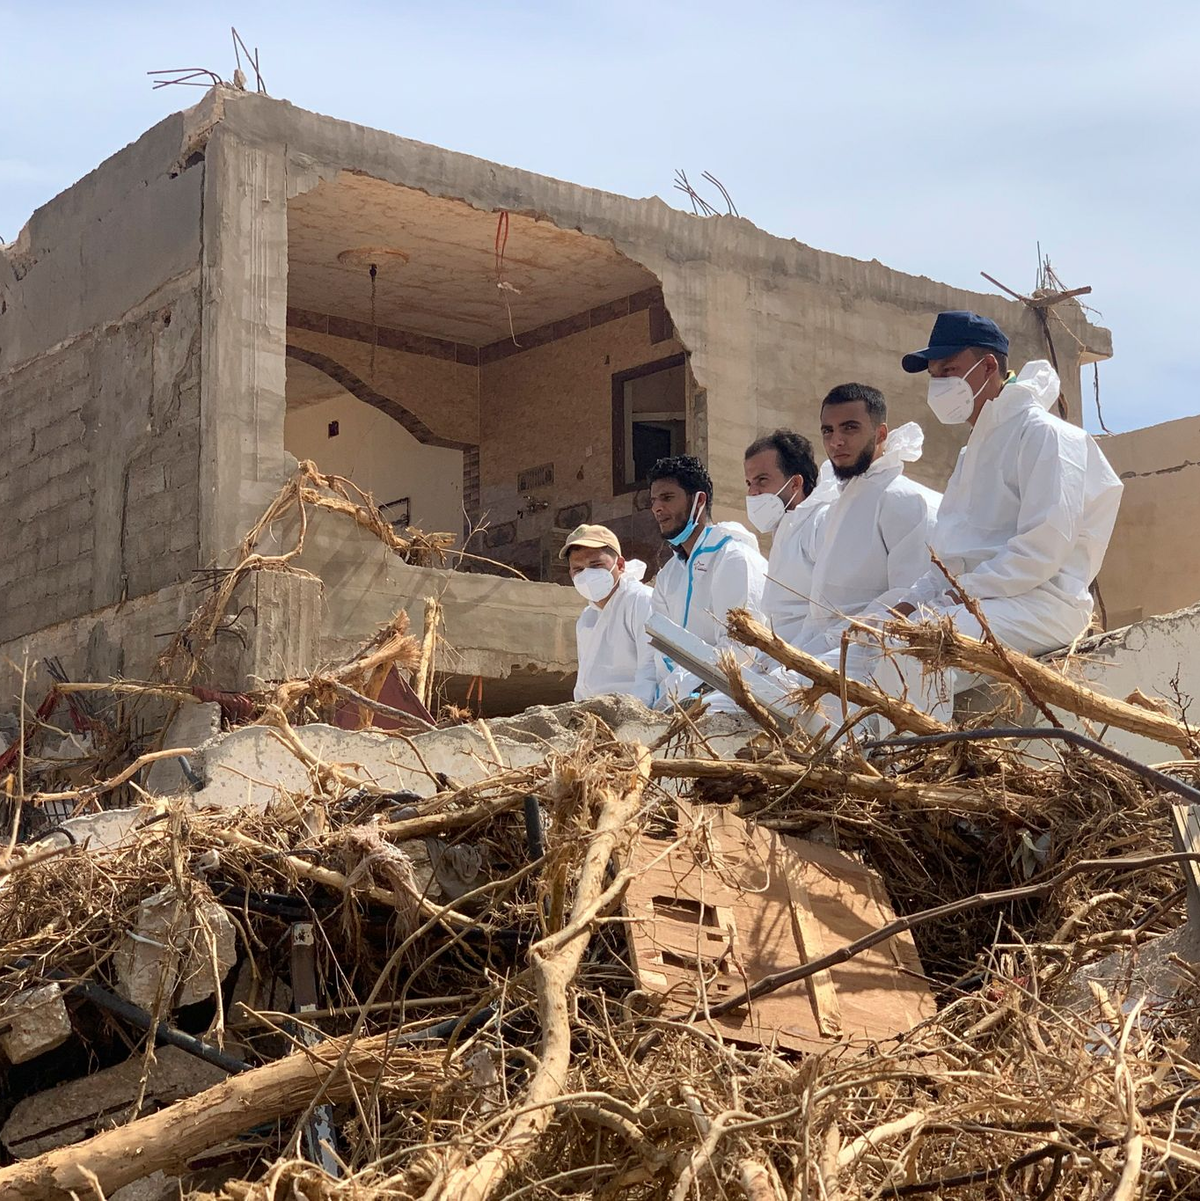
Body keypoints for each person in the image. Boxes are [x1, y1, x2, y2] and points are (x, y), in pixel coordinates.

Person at [883, 310, 1124, 720]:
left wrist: (960, 595)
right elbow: (951, 557)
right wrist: (910, 603)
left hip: (1043, 602)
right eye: (934, 374)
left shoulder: (1046, 435)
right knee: (879, 641)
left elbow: (1041, 549)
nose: (939, 383)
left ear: (989, 366)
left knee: (922, 649)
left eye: (950, 369)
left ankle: (916, 757)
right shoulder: (971, 454)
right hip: (985, 603)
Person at [796, 383, 941, 654]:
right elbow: (822, 613)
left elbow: (910, 599)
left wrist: (831, 645)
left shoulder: (903, 499)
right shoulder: (841, 505)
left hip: (869, 656)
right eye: (828, 431)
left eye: (849, 428)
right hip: (822, 653)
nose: (835, 441)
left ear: (880, 433)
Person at [635, 455, 768, 709]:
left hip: (726, 699)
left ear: (699, 500)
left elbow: (740, 651)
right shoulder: (667, 576)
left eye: (667, 498)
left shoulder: (734, 558)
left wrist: (686, 694)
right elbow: (656, 654)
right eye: (653, 500)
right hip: (674, 702)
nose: (657, 508)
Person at [744, 429, 838, 646]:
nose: (753, 492)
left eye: (762, 480)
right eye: (749, 483)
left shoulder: (821, 522)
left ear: (795, 483)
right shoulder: (785, 527)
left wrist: (792, 666)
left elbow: (828, 614)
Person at [561, 524, 656, 705]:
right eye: (578, 569)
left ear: (619, 565)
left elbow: (651, 668)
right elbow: (585, 682)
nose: (587, 575)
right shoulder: (587, 618)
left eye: (595, 565)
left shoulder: (640, 601)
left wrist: (638, 716)